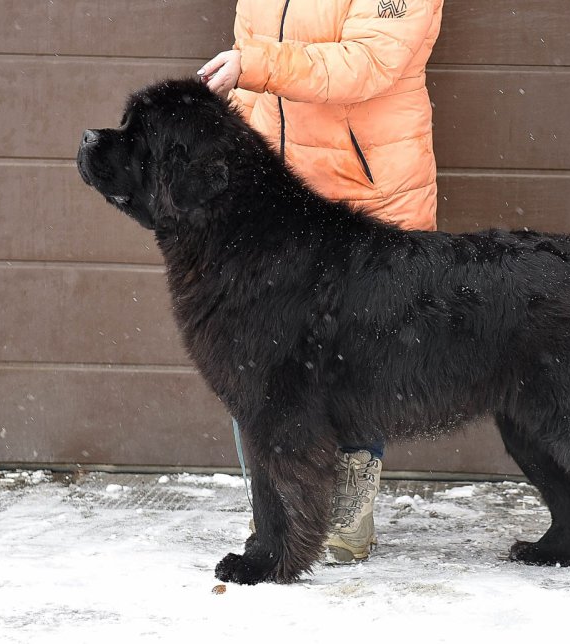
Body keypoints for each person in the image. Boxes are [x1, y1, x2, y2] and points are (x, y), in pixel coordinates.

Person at [199, 0, 444, 563]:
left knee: (357, 361)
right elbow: (252, 94)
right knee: (262, 360)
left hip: (366, 194)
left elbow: (366, 64)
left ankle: (348, 503)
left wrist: (254, 64)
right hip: (276, 205)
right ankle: (279, 505)